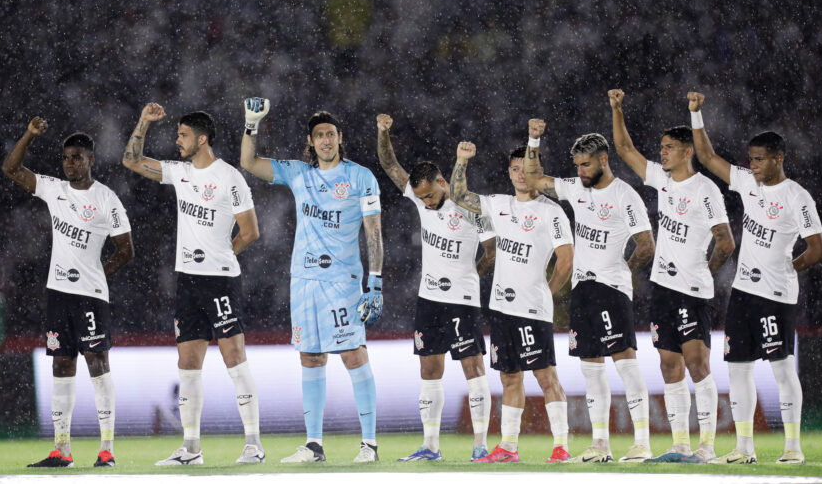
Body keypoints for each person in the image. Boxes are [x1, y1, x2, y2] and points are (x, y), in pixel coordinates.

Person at [240, 98, 384, 464]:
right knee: (310, 357)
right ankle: (314, 445)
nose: (325, 140)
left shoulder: (360, 177)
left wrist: (376, 281)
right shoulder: (299, 173)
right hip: (304, 280)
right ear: (310, 141)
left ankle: (369, 445)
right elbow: (248, 162)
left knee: (353, 354)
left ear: (340, 138)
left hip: (343, 281)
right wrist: (251, 124)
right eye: (319, 135)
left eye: (331, 134)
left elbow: (374, 233)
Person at [687, 92, 822, 465]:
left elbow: (817, 249)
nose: (753, 165)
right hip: (743, 293)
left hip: (776, 295)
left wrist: (786, 269)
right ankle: (744, 448)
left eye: (759, 159)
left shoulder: (798, 198)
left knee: (782, 366)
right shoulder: (748, 183)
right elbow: (707, 158)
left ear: (778, 159)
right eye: (751, 159)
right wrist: (695, 115)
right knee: (738, 368)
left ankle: (793, 448)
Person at [121, 103, 264, 466]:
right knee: (187, 362)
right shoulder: (180, 172)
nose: (177, 139)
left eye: (182, 135)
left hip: (220, 280)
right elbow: (132, 161)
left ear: (201, 139)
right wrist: (143, 122)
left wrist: (222, 255)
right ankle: (191, 448)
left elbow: (250, 231)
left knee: (234, 357)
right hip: (187, 281)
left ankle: (253, 444)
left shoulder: (230, 177)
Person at [608, 89, 736, 463]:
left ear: (686, 152)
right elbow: (624, 149)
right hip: (663, 288)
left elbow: (725, 242)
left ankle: (707, 447)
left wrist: (703, 272)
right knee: (669, 364)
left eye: (668, 147)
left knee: (697, 364)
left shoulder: (705, 189)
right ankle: (681, 444)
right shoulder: (661, 181)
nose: (661, 152)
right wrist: (617, 110)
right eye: (661, 147)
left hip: (692, 290)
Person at [2, 118, 134, 468]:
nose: (70, 163)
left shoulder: (107, 199)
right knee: (62, 364)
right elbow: (11, 168)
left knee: (98, 363)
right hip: (58, 293)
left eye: (77, 157)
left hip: (90, 295)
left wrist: (97, 276)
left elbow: (126, 250)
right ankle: (62, 449)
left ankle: (106, 449)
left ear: (91, 160)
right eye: (66, 158)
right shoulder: (53, 189)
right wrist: (29, 135)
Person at [523, 119, 656, 463]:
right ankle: (601, 444)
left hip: (610, 289)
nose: (581, 171)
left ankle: (642, 442)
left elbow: (646, 244)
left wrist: (620, 273)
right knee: (591, 368)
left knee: (625, 363)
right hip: (582, 290)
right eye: (577, 165)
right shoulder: (576, 188)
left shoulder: (625, 195)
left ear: (604, 160)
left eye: (587, 164)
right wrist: (533, 140)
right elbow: (535, 178)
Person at [375, 114, 495, 462]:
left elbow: (492, 252)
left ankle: (480, 445)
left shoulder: (474, 207)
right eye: (421, 198)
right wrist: (383, 133)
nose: (425, 203)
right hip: (429, 300)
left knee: (472, 367)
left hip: (462, 300)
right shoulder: (418, 196)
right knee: (429, 369)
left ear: (442, 182)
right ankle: (430, 446)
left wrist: (469, 276)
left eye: (429, 195)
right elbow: (389, 164)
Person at [452, 143, 575, 464]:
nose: (522, 175)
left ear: (538, 172)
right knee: (509, 377)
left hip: (533, 308)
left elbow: (566, 260)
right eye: (516, 168)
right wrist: (461, 161)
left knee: (545, 376)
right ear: (509, 172)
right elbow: (459, 196)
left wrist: (546, 291)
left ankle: (561, 447)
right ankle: (508, 447)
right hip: (502, 308)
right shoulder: (499, 204)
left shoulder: (552, 211)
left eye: (527, 169)